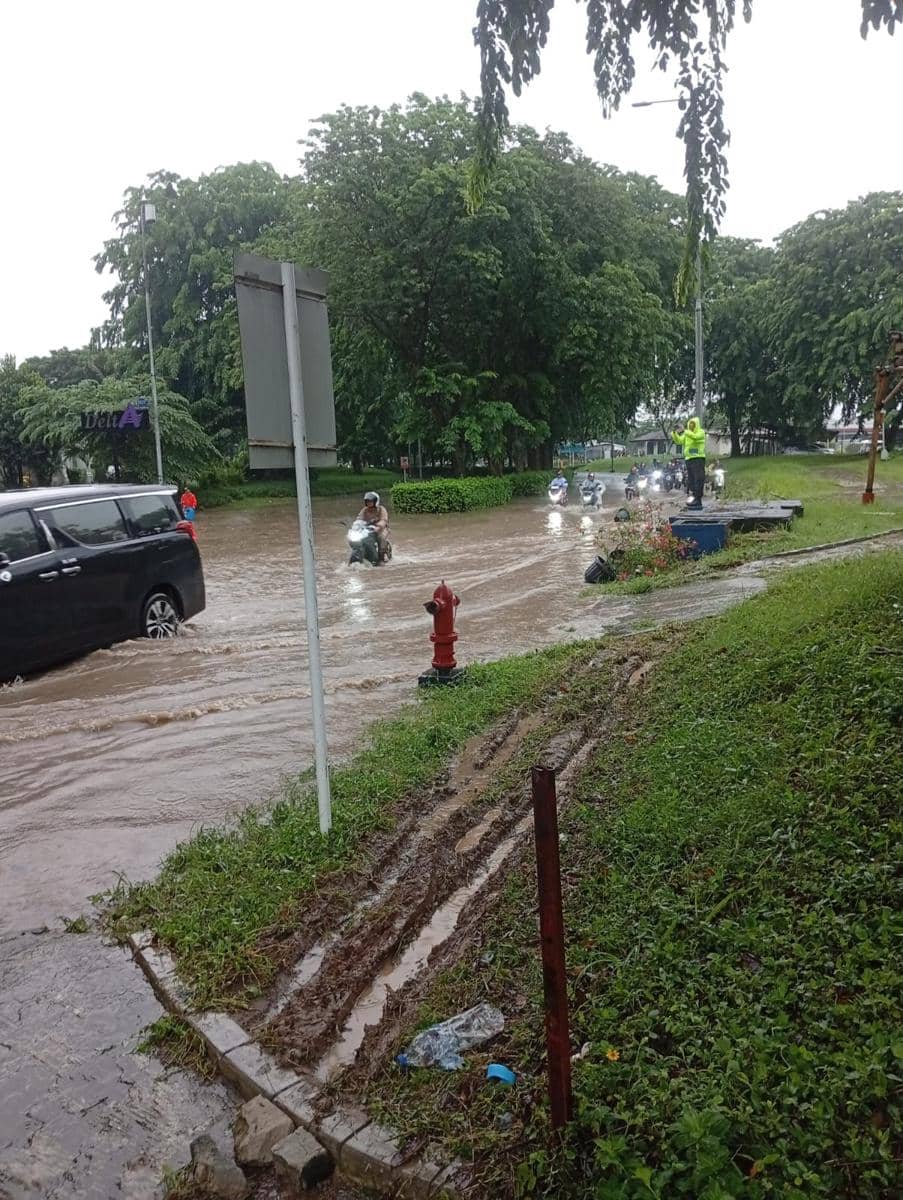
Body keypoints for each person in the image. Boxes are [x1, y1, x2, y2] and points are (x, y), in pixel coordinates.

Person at [671, 418, 707, 509]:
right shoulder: (687, 434)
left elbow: (695, 437)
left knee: (698, 479)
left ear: (696, 425)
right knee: (691, 480)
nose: (691, 426)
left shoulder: (700, 432)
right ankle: (694, 498)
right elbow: (679, 441)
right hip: (689, 459)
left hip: (698, 458)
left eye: (692, 424)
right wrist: (674, 432)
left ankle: (698, 499)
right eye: (690, 424)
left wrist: (684, 431)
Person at [357, 490, 390, 561]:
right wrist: (356, 525)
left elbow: (384, 520)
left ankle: (381, 559)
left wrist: (379, 526)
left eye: (370, 501)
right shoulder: (364, 510)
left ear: (375, 501)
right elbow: (359, 518)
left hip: (381, 529)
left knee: (381, 538)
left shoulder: (381, 509)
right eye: (367, 501)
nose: (369, 503)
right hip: (368, 529)